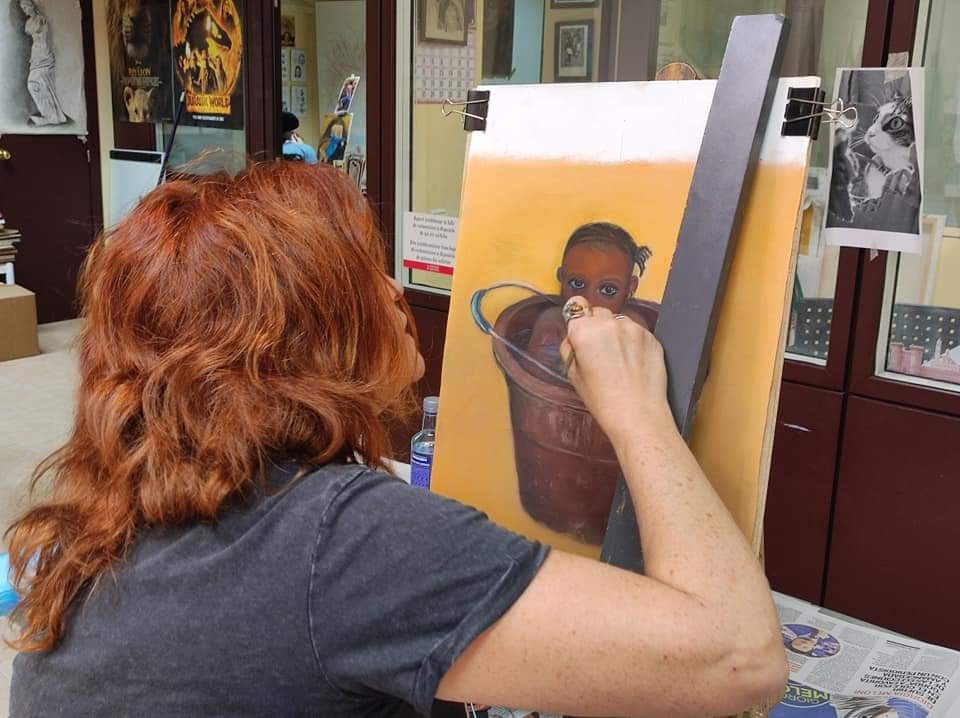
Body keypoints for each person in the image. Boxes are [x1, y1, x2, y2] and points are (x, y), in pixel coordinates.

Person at [7, 163, 787, 717]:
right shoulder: (344, 536)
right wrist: (640, 410)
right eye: (362, 274)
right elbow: (739, 657)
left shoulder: (118, 505)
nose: (394, 292)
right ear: (299, 330)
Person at [526, 222, 652, 378]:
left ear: (630, 288)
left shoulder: (633, 330)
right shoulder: (553, 327)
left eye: (608, 290)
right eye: (577, 284)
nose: (588, 302)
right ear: (561, 277)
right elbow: (536, 379)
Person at [20, 0, 69, 126]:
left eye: (25, 7)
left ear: (31, 5)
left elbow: (44, 36)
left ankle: (52, 116)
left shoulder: (41, 19)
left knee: (42, 85)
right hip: (35, 55)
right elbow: (29, 30)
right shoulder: (28, 23)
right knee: (35, 85)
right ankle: (52, 116)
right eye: (23, 8)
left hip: (44, 54)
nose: (24, 10)